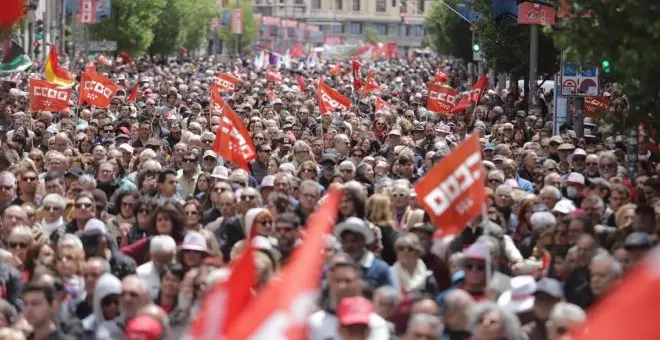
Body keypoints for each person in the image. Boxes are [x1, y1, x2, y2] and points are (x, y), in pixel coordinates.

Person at [308, 254, 390, 339]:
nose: (341, 286)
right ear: (329, 283)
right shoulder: (314, 323)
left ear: (359, 284)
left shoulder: (375, 324)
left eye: (348, 281)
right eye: (337, 281)